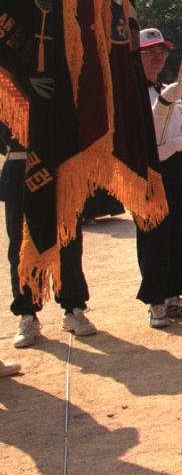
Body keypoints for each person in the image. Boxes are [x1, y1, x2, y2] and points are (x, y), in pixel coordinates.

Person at [2, 124, 96, 348]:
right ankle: (27, 315)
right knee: (22, 246)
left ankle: (73, 308)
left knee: (69, 240)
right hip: (21, 165)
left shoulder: (61, 87)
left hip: (61, 165)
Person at [136, 28, 182, 328]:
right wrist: (162, 106)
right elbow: (150, 136)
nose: (157, 56)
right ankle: (155, 300)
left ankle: (175, 293)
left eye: (161, 51)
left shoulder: (169, 89)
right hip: (150, 173)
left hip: (179, 167)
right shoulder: (130, 95)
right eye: (150, 51)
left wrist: (173, 144)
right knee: (155, 235)